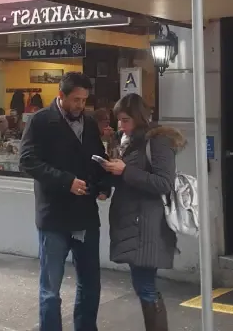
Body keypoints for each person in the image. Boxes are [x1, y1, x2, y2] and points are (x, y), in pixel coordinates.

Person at [19, 72, 110, 331]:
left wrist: (103, 185)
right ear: (61, 96)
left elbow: (97, 159)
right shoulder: (39, 121)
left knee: (90, 283)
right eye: (75, 100)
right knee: (50, 289)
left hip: (85, 215)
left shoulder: (90, 123)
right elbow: (27, 161)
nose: (80, 105)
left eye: (84, 100)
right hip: (54, 218)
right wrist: (66, 181)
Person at [100, 93, 186, 331]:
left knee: (145, 285)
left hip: (147, 225)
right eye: (119, 120)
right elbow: (132, 179)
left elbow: (163, 183)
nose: (120, 125)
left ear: (138, 118)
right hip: (133, 222)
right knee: (142, 285)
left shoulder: (156, 142)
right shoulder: (130, 142)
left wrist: (125, 170)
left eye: (125, 120)